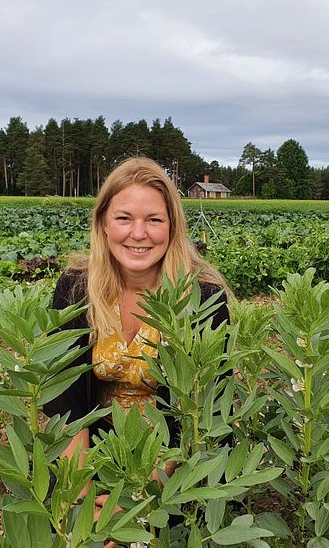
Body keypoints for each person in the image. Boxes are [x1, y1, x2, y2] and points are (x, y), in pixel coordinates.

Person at [44, 156, 230, 471]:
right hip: (95, 454)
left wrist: (145, 497)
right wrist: (82, 491)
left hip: (178, 465)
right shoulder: (76, 289)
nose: (139, 233)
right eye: (124, 218)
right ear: (103, 223)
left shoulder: (204, 299)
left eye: (154, 220)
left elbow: (204, 409)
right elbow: (65, 402)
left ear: (172, 227)